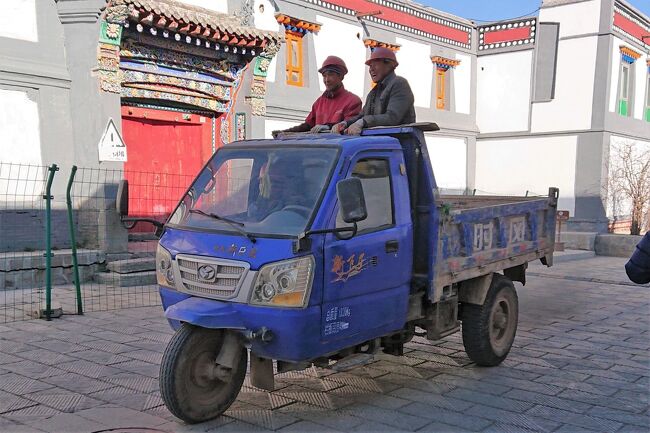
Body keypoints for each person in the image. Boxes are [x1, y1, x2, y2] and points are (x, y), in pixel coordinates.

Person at [332, 47, 415, 135]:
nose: (371, 69)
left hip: (402, 143)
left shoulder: (399, 84)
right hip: (381, 142)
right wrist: (345, 123)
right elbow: (362, 115)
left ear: (389, 64)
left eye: (375, 65)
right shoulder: (373, 92)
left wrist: (363, 122)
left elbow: (392, 117)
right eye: (370, 66)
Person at [273, 56, 362, 137]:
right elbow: (307, 125)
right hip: (318, 150)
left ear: (341, 76)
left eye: (330, 75)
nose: (326, 80)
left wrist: (327, 127)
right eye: (324, 76)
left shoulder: (353, 101)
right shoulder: (319, 102)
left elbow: (347, 126)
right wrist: (284, 132)